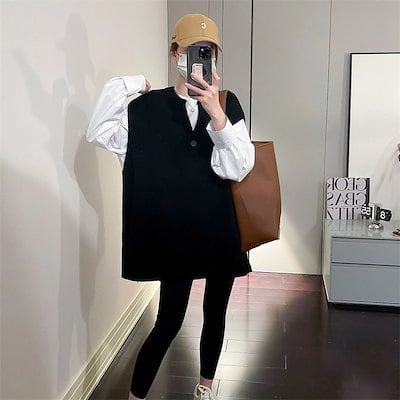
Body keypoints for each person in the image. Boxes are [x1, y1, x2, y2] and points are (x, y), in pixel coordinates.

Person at [86, 13, 255, 400]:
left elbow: (239, 167)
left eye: (209, 51)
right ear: (174, 53)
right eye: (193, 50)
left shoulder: (226, 103)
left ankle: (205, 387)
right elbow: (99, 131)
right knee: (168, 322)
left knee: (216, 313)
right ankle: (136, 396)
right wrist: (130, 84)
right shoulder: (146, 109)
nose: (200, 58)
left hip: (219, 231)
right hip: (174, 237)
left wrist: (216, 114)